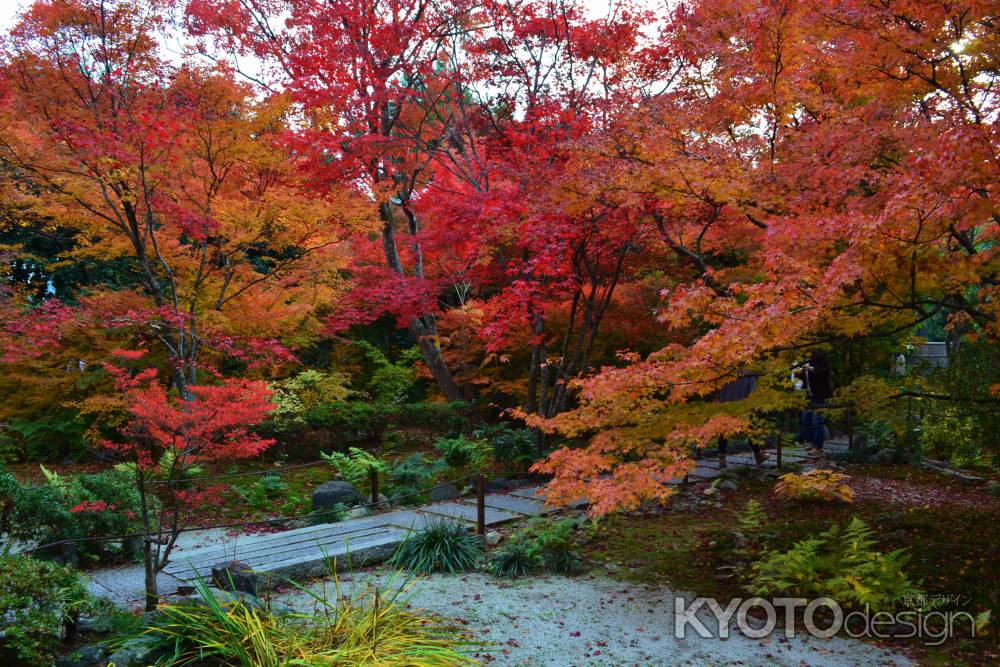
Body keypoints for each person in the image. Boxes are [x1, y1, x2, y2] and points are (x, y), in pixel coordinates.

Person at [714, 373, 770, 468]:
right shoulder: (749, 373)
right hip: (743, 406)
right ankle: (758, 456)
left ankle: (721, 460)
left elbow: (717, 389)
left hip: (725, 405)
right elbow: (753, 390)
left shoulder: (725, 371)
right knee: (751, 430)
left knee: (724, 432)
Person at [795, 351, 833, 456]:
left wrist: (810, 368)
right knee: (806, 420)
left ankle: (818, 447)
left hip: (820, 395)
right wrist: (799, 375)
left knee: (817, 420)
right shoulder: (803, 360)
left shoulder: (818, 357)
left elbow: (825, 372)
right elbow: (806, 378)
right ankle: (813, 444)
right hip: (809, 396)